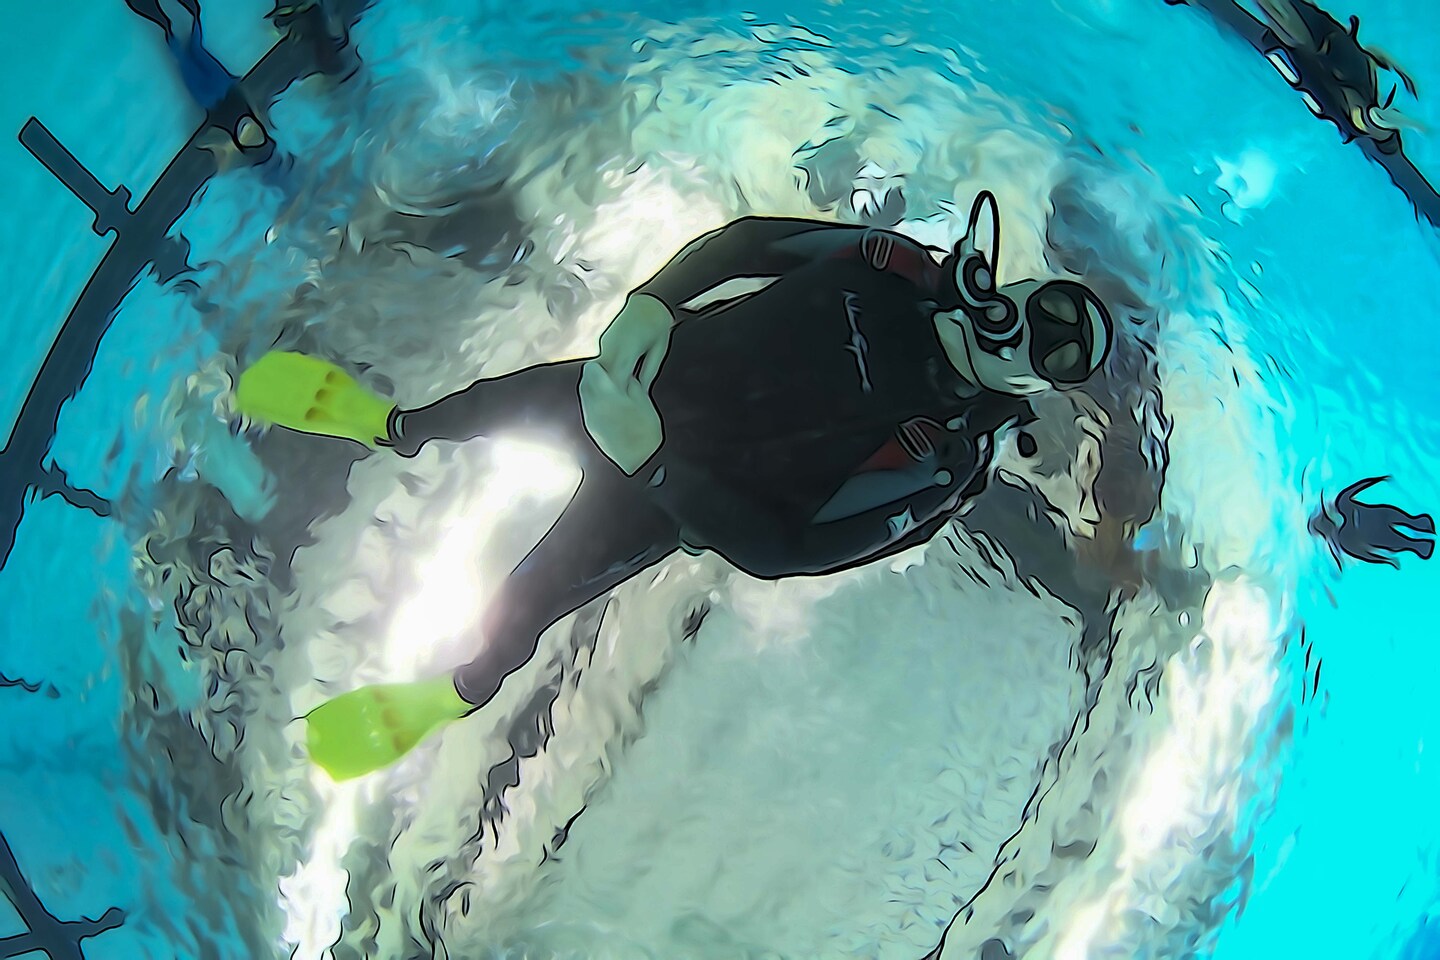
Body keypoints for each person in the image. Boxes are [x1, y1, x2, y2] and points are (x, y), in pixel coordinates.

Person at [234, 193, 1429, 780]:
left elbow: (784, 552)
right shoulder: (894, 264)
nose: (1025, 328)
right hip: (638, 376)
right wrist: (653, 300)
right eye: (1044, 306)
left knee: (525, 601)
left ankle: (450, 693)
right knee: (476, 408)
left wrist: (656, 466)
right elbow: (751, 242)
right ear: (1023, 284)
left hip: (658, 491)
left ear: (1044, 385)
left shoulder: (946, 460)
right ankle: (392, 426)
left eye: (1054, 350)